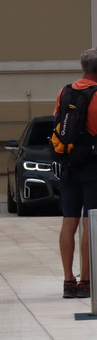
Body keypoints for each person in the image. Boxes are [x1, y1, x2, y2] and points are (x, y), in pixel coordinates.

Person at [56, 48, 97, 299]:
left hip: (68, 164)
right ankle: (87, 282)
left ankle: (68, 281)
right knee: (90, 223)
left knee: (68, 221)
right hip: (93, 165)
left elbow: (59, 125)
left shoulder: (65, 91)